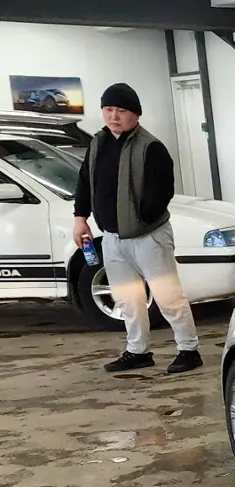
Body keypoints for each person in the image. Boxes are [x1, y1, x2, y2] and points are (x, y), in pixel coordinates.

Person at [72, 83, 202, 374]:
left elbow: (163, 190)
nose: (114, 116)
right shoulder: (97, 144)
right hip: (112, 238)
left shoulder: (151, 147)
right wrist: (80, 218)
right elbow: (84, 182)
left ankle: (189, 349)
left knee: (168, 297)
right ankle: (138, 351)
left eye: (121, 110)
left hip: (149, 237)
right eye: (108, 109)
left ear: (136, 114)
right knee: (127, 298)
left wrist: (142, 219)